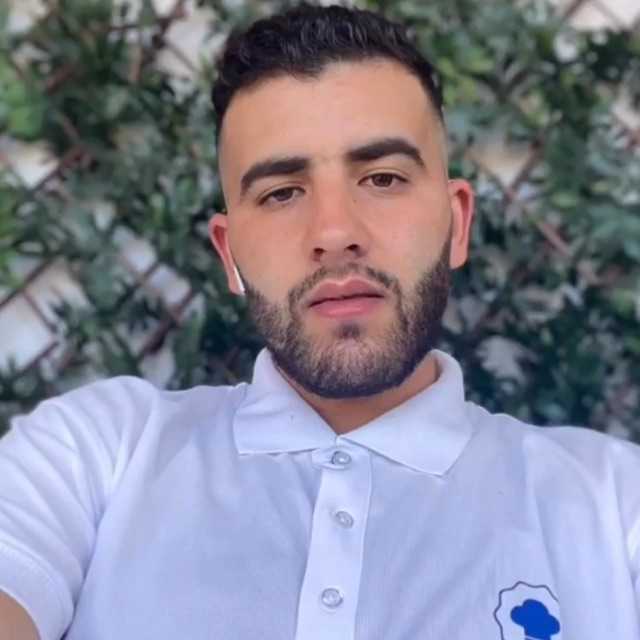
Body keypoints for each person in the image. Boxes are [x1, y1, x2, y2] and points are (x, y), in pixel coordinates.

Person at [1, 3, 639, 639]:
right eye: (281, 192)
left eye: (383, 178)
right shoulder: (98, 453)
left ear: (458, 224)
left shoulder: (614, 505)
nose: (334, 233)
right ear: (229, 253)